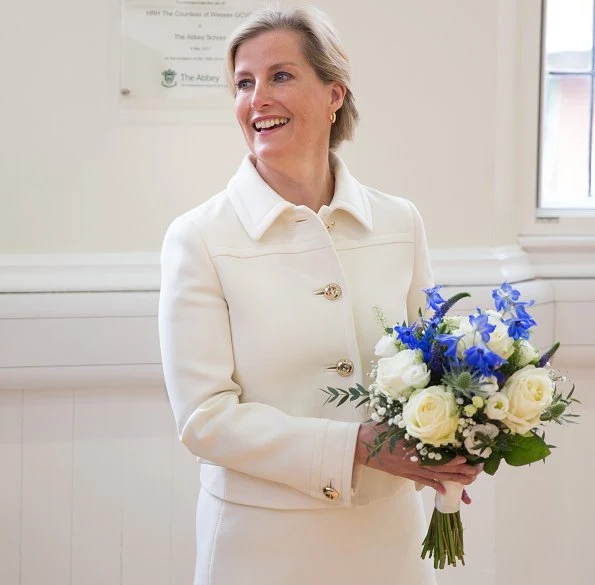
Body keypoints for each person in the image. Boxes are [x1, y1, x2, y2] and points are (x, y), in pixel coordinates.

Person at [158, 6, 481, 585]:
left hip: (390, 539)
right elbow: (204, 419)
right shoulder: (199, 237)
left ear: (335, 93)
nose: (258, 98)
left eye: (280, 75)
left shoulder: (399, 221)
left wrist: (461, 437)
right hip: (260, 545)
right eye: (243, 83)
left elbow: (435, 368)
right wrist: (354, 446)